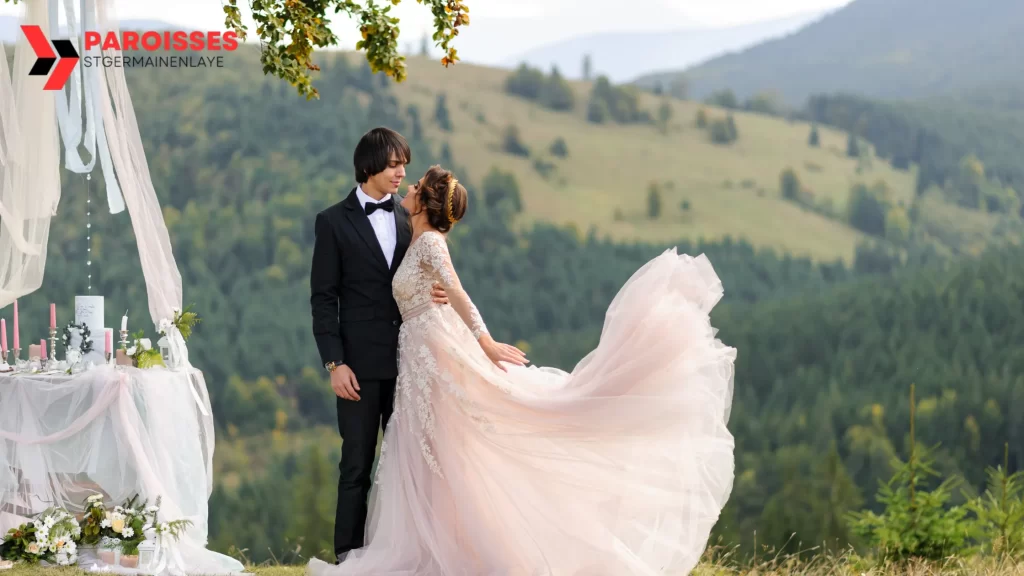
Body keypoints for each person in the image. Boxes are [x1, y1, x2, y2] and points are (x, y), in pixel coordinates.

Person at [307, 164, 737, 575]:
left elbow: (455, 290)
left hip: (434, 355)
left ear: (426, 202)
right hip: (418, 355)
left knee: (448, 451)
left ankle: (455, 551)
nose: (409, 187)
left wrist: (485, 341)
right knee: (429, 455)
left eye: (416, 183)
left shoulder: (430, 242)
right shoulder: (413, 236)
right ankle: (432, 547)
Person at [310, 127, 452, 562]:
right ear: (369, 166)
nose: (401, 172)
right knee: (356, 464)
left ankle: (408, 553)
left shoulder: (410, 216)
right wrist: (334, 362)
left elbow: (425, 270)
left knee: (411, 464)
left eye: (403, 164)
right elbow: (323, 298)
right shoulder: (332, 221)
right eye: (394, 164)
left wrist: (438, 294)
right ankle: (348, 556)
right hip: (358, 366)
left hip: (411, 362)